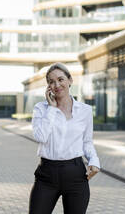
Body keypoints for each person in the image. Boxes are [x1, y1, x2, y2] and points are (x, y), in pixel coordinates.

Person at [29, 62, 100, 214]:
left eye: (60, 79)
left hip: (75, 174)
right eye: (51, 82)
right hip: (47, 174)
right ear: (48, 86)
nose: (56, 84)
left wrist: (94, 161)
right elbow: (40, 136)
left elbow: (87, 142)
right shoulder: (41, 109)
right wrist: (52, 109)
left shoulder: (85, 111)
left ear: (70, 80)